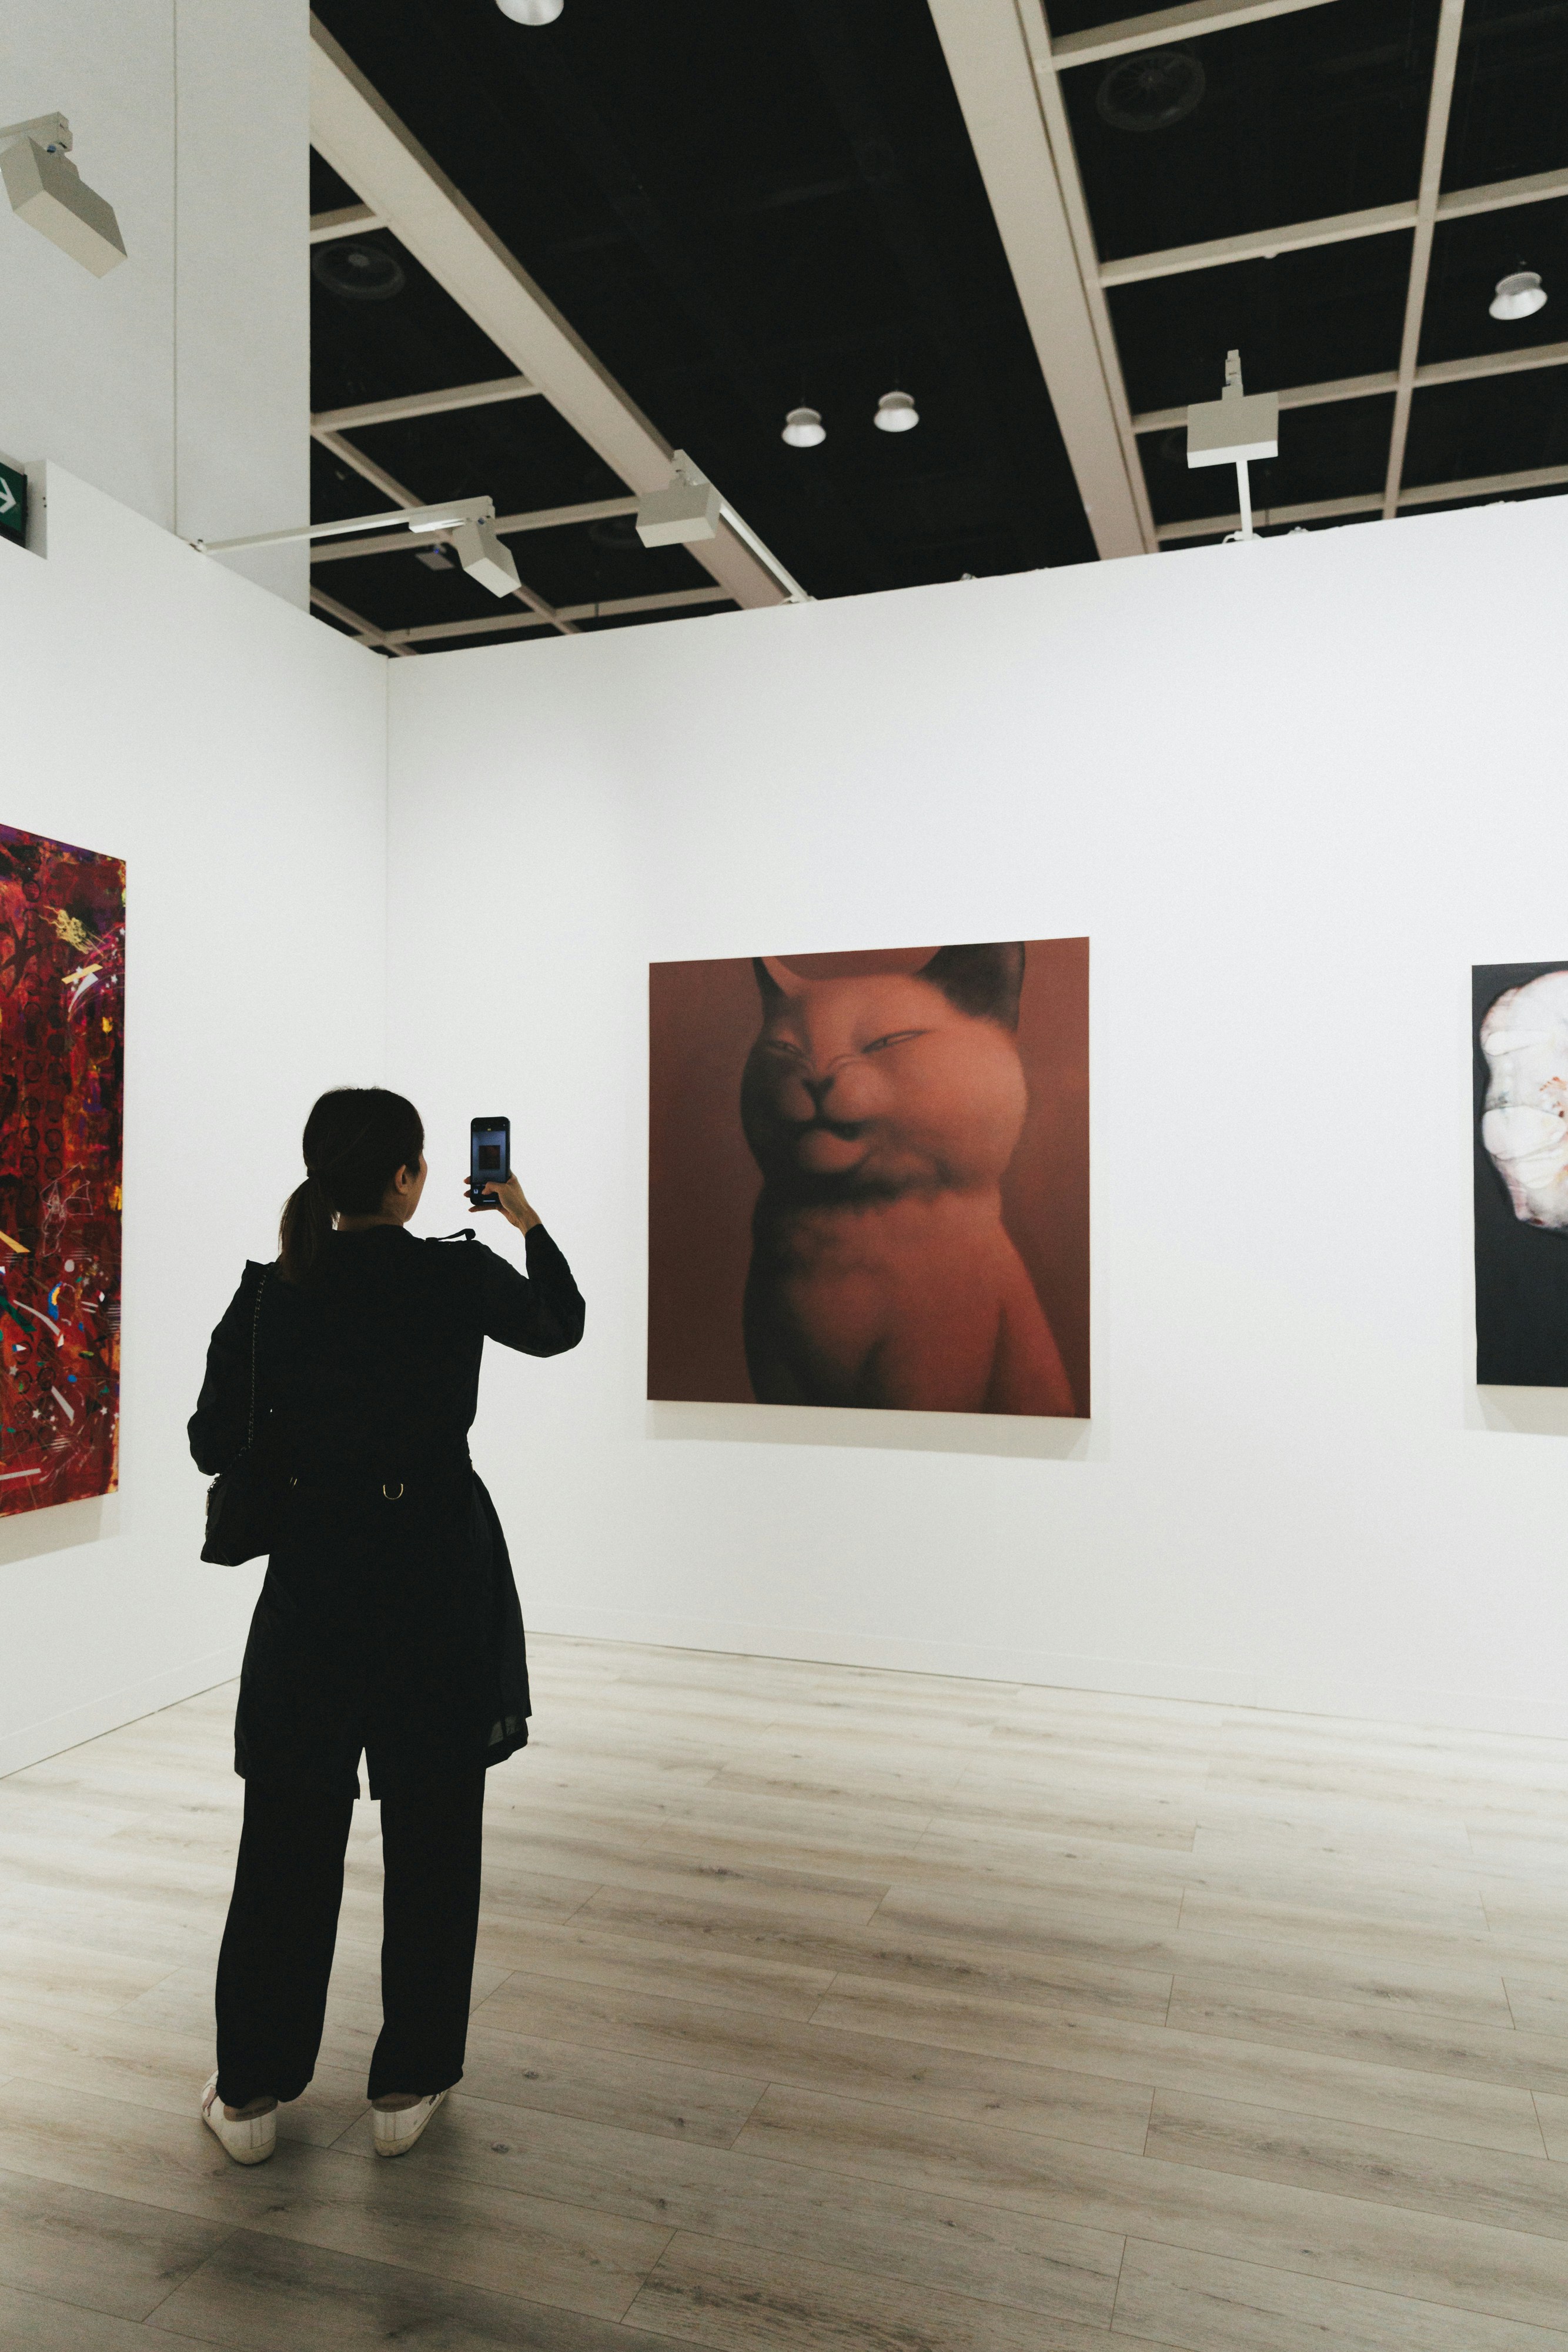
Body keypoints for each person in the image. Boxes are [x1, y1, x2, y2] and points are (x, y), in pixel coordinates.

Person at [188, 1086, 584, 2165]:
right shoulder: (454, 1272)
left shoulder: (271, 1295)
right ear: (411, 1180)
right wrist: (523, 1216)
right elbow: (561, 1326)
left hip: (314, 1591)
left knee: (286, 1842)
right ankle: (408, 2087)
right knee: (435, 1836)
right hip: (434, 1587)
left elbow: (209, 1438)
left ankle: (254, 2094)